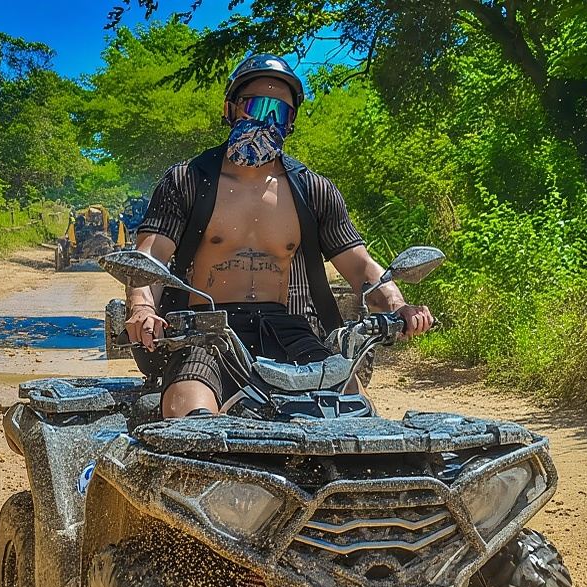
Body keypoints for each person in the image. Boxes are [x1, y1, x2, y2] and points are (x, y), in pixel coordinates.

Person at [125, 53, 435, 418]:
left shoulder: (312, 190)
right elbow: (148, 261)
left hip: (286, 328)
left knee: (352, 407)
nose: (266, 121)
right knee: (188, 413)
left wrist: (399, 307)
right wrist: (142, 308)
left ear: (291, 124)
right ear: (230, 109)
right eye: (257, 106)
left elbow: (362, 267)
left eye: (280, 113)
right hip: (205, 332)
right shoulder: (187, 181)